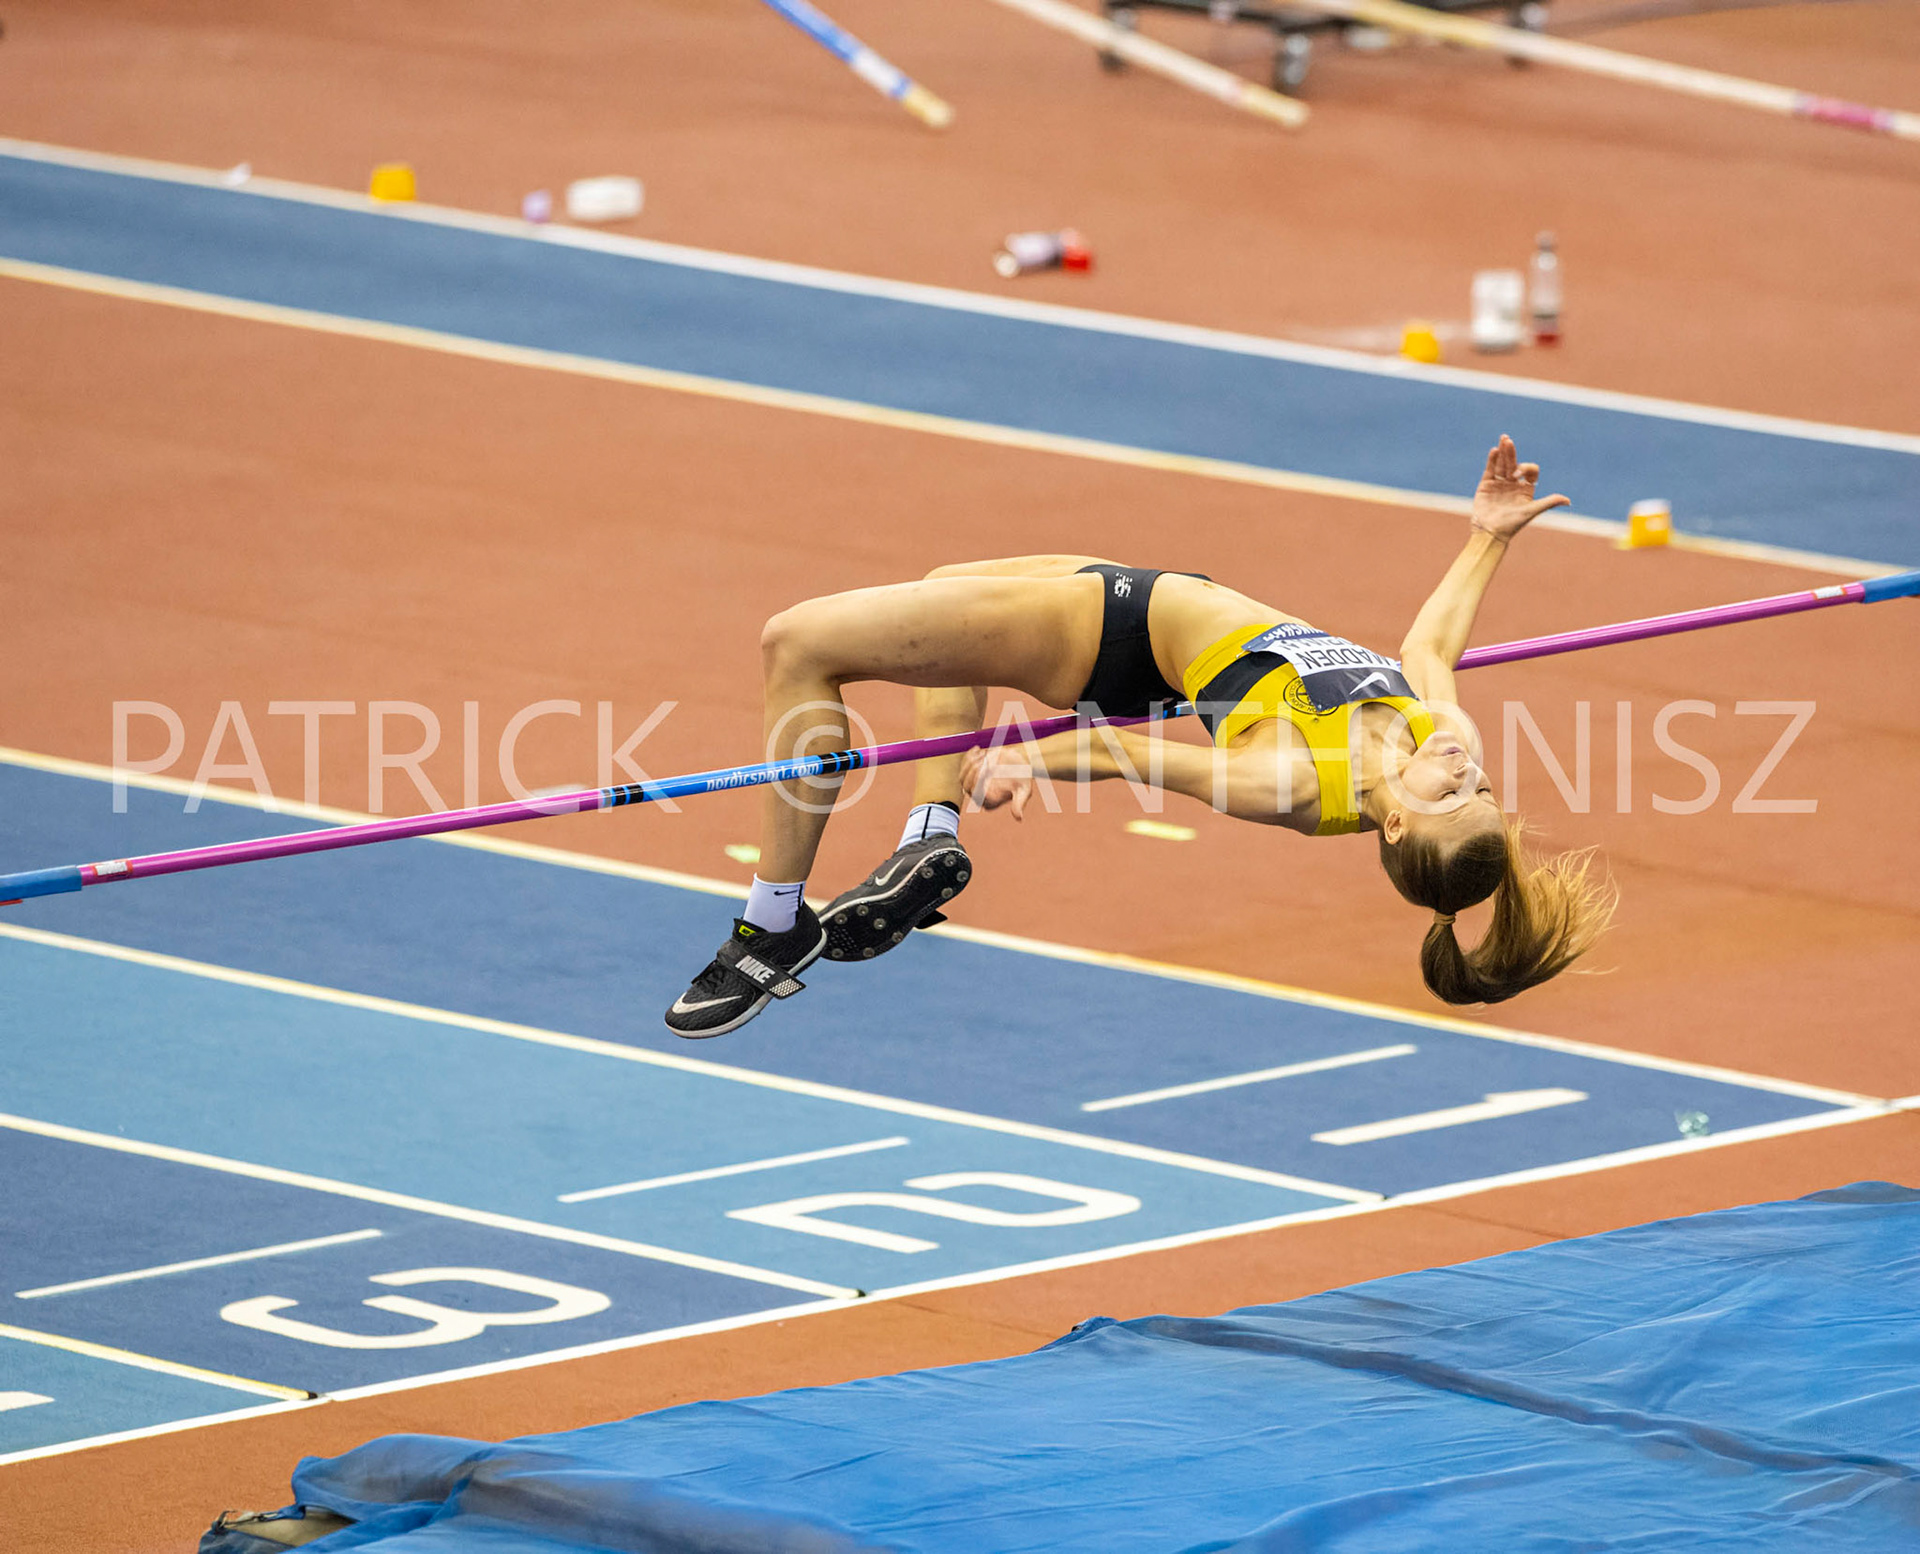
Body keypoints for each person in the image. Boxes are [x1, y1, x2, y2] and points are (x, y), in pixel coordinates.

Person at [666, 436, 1614, 1036]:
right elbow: (1430, 644)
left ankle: (772, 925)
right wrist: (1491, 535)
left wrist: (1026, 759)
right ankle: (926, 840)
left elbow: (1134, 754)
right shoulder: (1436, 733)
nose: (1461, 770)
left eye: (1450, 797)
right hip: (1157, 598)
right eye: (1481, 787)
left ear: (1397, 828)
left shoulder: (1290, 784)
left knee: (796, 644)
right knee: (941, 587)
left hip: (1117, 640)